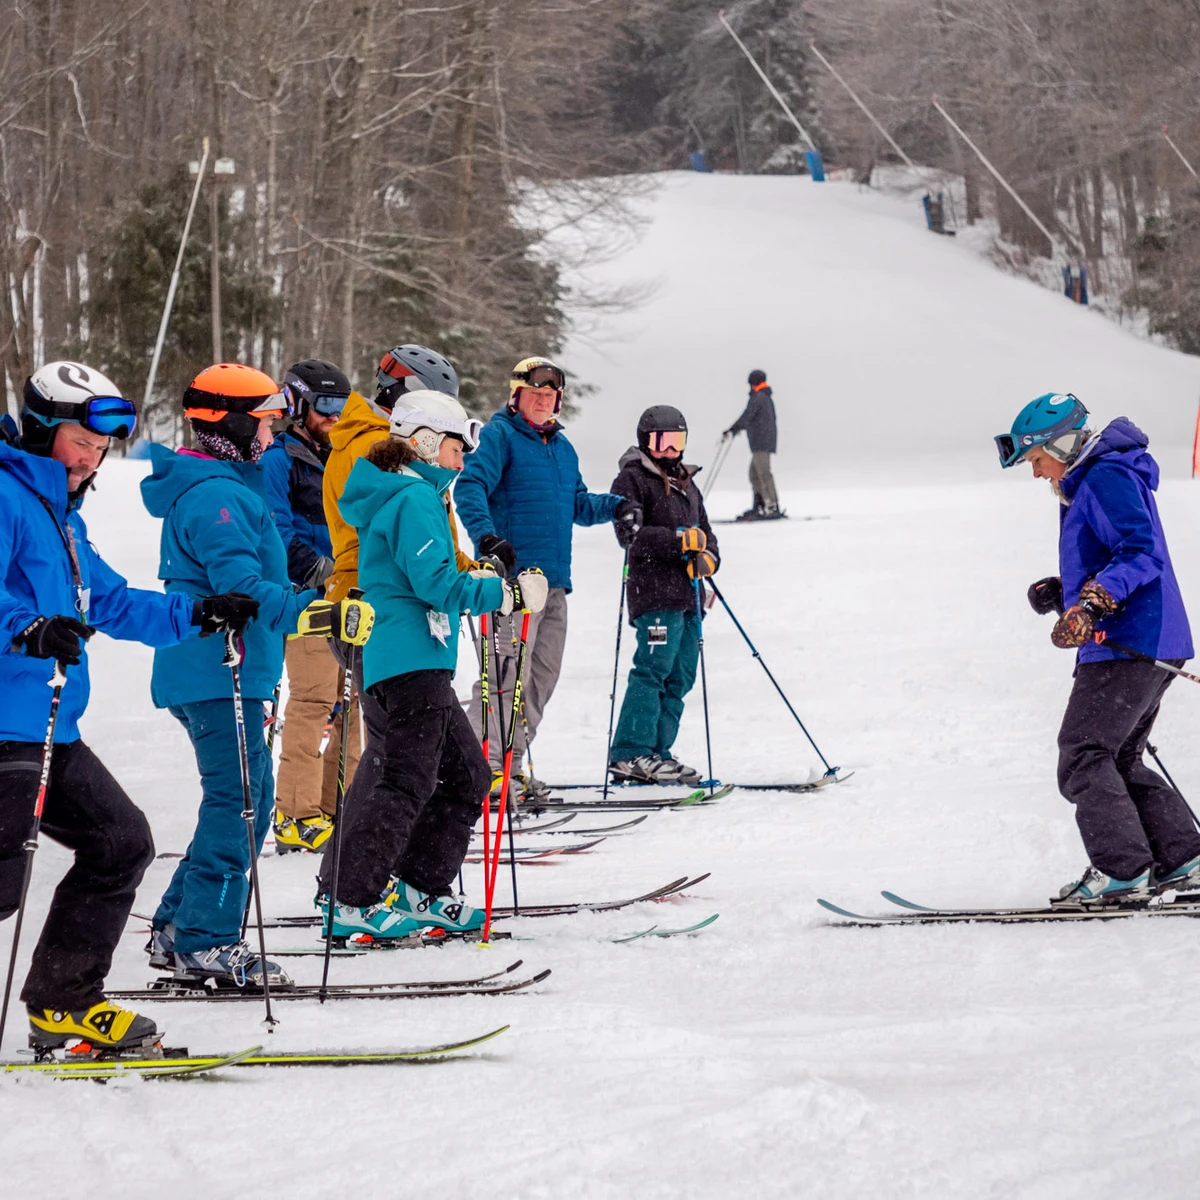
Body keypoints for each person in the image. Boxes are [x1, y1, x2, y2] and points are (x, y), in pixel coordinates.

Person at [0, 361, 251, 1052]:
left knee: (119, 844)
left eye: (100, 444)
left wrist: (197, 612)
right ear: (45, 430)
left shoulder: (60, 518)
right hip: (6, 726)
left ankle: (64, 1005)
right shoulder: (6, 497)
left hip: (48, 726)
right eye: (81, 439)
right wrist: (24, 627)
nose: (92, 455)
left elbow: (108, 601)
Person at [141, 363, 360, 987]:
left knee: (246, 800)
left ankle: (180, 925)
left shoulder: (228, 484)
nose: (273, 431)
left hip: (230, 671)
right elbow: (241, 586)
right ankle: (206, 939)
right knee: (239, 804)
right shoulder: (218, 495)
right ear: (230, 423)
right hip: (218, 671)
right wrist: (321, 611)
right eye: (264, 420)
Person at [324, 392, 547, 939]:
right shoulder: (412, 498)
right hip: (405, 660)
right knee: (402, 780)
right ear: (423, 441)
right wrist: (505, 594)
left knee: (468, 774)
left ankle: (421, 888)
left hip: (418, 659)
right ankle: (349, 899)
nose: (461, 460)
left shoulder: (411, 495)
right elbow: (438, 585)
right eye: (454, 447)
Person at [997, 392, 1200, 905]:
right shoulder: (1091, 480)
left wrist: (1091, 603)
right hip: (1145, 636)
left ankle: (1122, 870)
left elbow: (1140, 551)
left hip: (1129, 641)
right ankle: (1184, 859)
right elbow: (1115, 554)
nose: (1037, 473)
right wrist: (1065, 592)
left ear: (1062, 445)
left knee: (1084, 752)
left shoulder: (1104, 477)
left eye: (1038, 459)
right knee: (1119, 756)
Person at [319, 344, 473, 877]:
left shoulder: (396, 453)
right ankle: (346, 883)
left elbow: (435, 538)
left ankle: (380, 879)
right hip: (378, 611)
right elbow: (392, 540)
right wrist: (464, 584)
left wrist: (476, 571)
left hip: (394, 611)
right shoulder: (370, 447)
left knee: (416, 758)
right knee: (396, 760)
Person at [455, 356, 627, 798]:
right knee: (503, 679)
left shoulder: (562, 449)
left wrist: (618, 506)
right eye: (535, 393)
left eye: (550, 395)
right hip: (511, 585)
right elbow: (469, 486)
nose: (543, 400)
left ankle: (509, 767)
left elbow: (580, 504)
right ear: (516, 396)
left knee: (539, 680)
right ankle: (481, 769)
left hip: (553, 586)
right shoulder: (500, 436)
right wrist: (488, 539)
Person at [262, 358, 360, 853]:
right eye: (324, 407)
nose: (334, 416)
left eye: (342, 407)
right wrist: (319, 570)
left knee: (352, 704)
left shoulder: (346, 457)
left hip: (352, 598)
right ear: (297, 406)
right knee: (314, 702)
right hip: (308, 599)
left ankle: (340, 806)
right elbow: (276, 531)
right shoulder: (279, 460)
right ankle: (296, 815)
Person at [607, 406, 719, 786]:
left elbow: (706, 534)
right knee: (653, 670)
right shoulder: (632, 480)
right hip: (653, 593)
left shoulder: (688, 484)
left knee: (681, 675)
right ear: (645, 442)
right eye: (662, 442)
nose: (671, 450)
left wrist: (708, 560)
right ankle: (629, 752)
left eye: (678, 442)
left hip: (689, 595)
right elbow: (630, 535)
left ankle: (657, 753)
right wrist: (676, 541)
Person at [723, 368, 781, 521]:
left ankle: (771, 505)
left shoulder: (759, 397)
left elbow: (747, 415)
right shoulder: (763, 397)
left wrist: (733, 428)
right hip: (761, 442)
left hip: (761, 442)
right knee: (754, 474)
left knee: (763, 473)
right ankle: (760, 505)